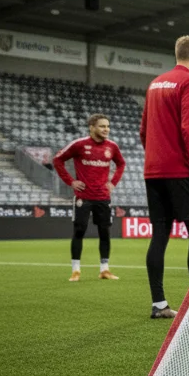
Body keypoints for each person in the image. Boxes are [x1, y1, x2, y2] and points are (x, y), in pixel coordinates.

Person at [140, 36, 189, 318]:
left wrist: (157, 158)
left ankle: (159, 305)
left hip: (153, 171)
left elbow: (143, 131)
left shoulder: (155, 83)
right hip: (182, 171)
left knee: (159, 235)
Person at [54, 113, 125, 281]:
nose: (106, 129)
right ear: (92, 127)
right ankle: (76, 270)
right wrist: (71, 182)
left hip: (103, 197)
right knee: (79, 231)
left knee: (104, 232)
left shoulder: (112, 147)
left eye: (107, 126)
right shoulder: (79, 144)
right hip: (83, 197)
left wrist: (113, 182)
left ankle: (104, 269)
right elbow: (58, 160)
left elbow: (121, 163)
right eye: (102, 126)